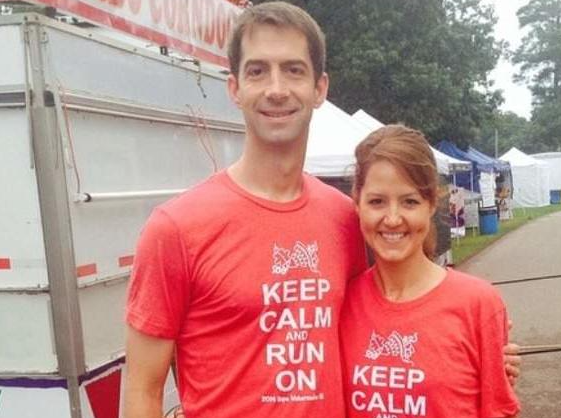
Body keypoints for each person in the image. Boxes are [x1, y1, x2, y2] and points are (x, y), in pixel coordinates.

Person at [124, 3, 520, 418]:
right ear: (234, 88)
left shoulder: (343, 218)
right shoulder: (176, 228)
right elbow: (142, 390)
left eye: (293, 70)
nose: (276, 89)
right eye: (257, 71)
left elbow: (375, 321)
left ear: (320, 88)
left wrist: (480, 354)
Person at [340, 125, 520, 418]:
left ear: (432, 204)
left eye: (409, 201)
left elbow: (499, 410)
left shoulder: (478, 304)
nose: (393, 218)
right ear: (357, 203)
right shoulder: (340, 305)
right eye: (377, 201)